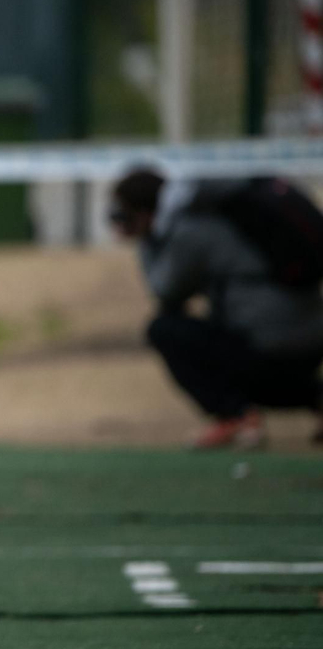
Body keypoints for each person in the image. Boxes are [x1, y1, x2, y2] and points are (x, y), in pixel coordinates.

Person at [111, 168, 323, 449]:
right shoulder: (221, 217)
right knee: (234, 351)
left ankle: (236, 416)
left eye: (123, 214)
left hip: (271, 345)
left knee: (165, 330)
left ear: (144, 212)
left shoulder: (191, 230)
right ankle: (317, 398)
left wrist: (146, 238)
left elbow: (164, 289)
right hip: (308, 338)